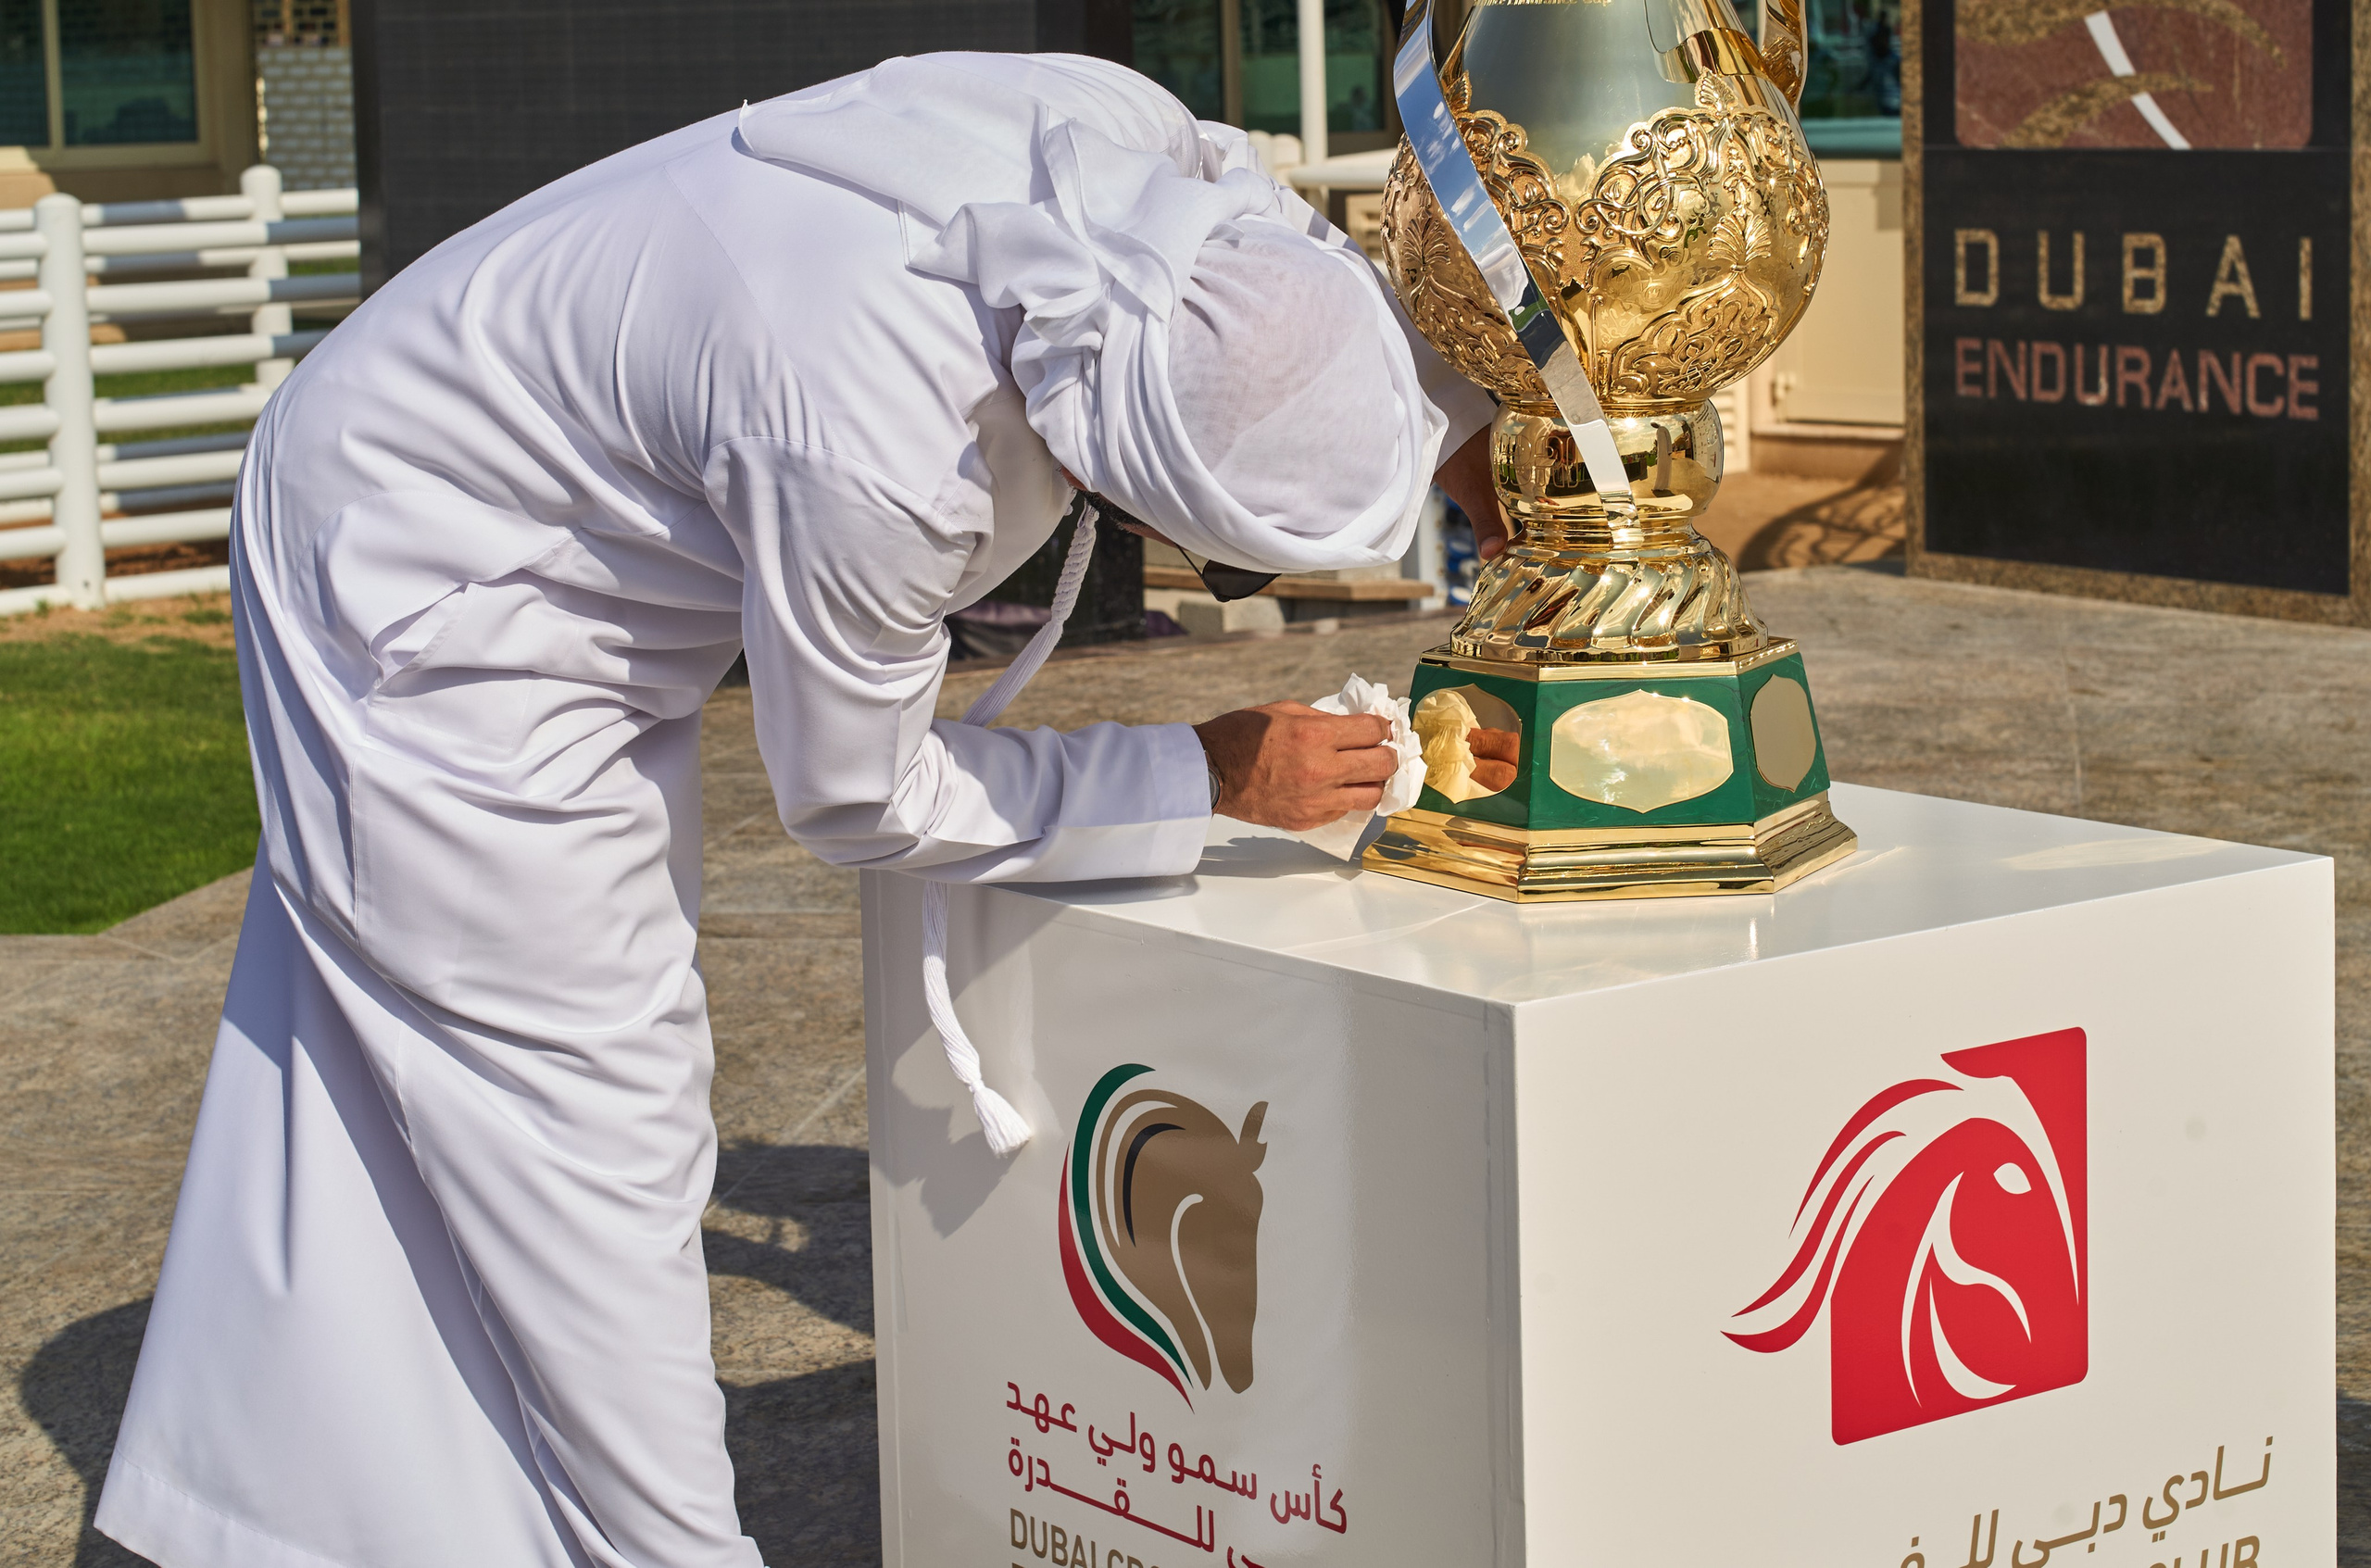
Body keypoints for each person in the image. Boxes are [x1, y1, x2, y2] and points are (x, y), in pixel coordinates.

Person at [94, 51, 1496, 1568]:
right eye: (1210, 556)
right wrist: (1207, 773)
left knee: (405, 1053)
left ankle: (268, 1512)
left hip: (448, 440)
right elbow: (861, 798)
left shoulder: (1135, 142)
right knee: (595, 1124)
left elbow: (1290, 287)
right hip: (427, 585)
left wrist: (1487, 461)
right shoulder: (885, 459)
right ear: (1122, 474)